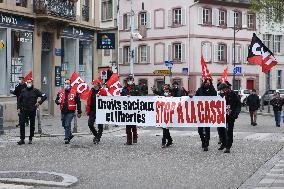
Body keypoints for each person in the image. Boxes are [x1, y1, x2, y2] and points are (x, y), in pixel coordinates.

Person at [17, 79, 47, 145]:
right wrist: (18, 108)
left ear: (32, 83)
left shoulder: (36, 91)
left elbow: (44, 96)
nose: (28, 83)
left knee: (32, 125)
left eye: (29, 82)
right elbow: (19, 100)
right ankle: (22, 139)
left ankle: (30, 138)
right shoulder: (23, 90)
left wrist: (39, 102)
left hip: (32, 110)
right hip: (23, 110)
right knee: (22, 124)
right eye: (27, 82)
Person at [55, 79, 82, 144]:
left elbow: (78, 102)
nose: (66, 85)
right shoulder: (60, 92)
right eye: (65, 83)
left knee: (67, 124)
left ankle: (66, 138)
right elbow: (56, 100)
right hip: (63, 111)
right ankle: (70, 135)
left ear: (70, 84)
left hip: (71, 111)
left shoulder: (75, 92)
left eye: (67, 83)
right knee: (64, 124)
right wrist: (57, 102)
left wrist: (79, 111)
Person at [217, 82, 241, 153]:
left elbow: (238, 104)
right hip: (221, 115)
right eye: (220, 90)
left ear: (226, 88)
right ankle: (223, 143)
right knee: (220, 130)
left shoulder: (233, 94)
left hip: (231, 115)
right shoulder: (220, 95)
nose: (221, 91)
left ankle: (228, 146)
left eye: (222, 89)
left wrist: (236, 113)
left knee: (229, 131)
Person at [195, 78, 217, 151]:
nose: (207, 84)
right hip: (200, 111)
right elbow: (195, 97)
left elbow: (216, 98)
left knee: (207, 129)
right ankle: (203, 141)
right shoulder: (200, 90)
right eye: (206, 82)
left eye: (208, 82)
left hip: (208, 112)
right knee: (200, 130)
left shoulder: (212, 90)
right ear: (204, 83)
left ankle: (206, 144)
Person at [121, 74, 141, 145]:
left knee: (133, 124)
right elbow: (121, 97)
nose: (129, 81)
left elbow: (140, 97)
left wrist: (132, 96)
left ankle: (135, 137)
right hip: (126, 109)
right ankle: (129, 141)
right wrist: (125, 97)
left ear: (133, 80)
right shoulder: (124, 89)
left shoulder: (137, 88)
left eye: (130, 80)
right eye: (128, 80)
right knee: (128, 125)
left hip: (134, 108)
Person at [86, 79, 106, 144]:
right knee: (90, 124)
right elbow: (89, 100)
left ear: (98, 84)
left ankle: (98, 138)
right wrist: (88, 110)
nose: (93, 85)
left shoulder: (102, 91)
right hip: (92, 110)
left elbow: (106, 99)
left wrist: (100, 97)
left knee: (100, 125)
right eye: (93, 84)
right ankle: (96, 135)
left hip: (100, 110)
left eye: (94, 83)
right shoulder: (91, 91)